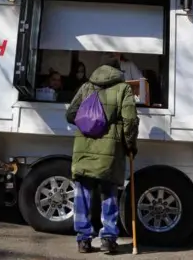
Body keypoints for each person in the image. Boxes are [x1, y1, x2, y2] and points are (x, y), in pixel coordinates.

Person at [65, 57, 139, 254]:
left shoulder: (86, 87)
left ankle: (83, 240)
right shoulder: (124, 89)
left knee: (83, 193)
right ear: (118, 71)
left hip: (84, 145)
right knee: (109, 194)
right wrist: (130, 145)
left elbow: (70, 114)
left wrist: (89, 123)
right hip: (110, 150)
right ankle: (108, 239)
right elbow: (130, 120)